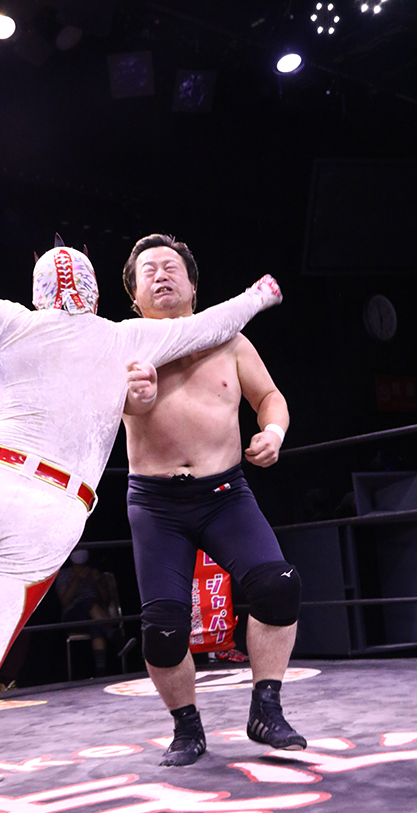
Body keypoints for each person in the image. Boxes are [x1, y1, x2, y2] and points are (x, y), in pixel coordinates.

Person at [0, 236, 282, 780]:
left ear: (38, 291)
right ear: (98, 292)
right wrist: (258, 295)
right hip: (52, 506)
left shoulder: (13, 323)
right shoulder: (123, 337)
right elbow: (211, 325)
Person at [122, 233, 306, 767]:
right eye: (149, 270)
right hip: (156, 504)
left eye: (171, 267)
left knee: (278, 585)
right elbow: (99, 412)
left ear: (193, 285)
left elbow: (269, 397)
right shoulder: (121, 345)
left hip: (225, 494)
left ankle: (266, 708)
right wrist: (129, 398)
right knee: (163, 630)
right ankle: (186, 728)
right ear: (134, 295)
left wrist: (273, 432)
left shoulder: (231, 342)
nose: (161, 275)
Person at [56, 548, 133, 676]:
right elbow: (65, 602)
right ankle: (115, 637)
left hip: (94, 616)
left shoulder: (94, 573)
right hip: (73, 616)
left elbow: (106, 601)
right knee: (89, 602)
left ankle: (100, 673)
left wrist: (98, 581)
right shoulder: (64, 574)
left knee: (95, 625)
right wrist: (77, 579)